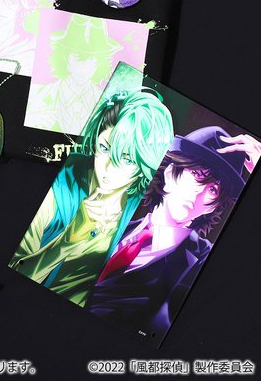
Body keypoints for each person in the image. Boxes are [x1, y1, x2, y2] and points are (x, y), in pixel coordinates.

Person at [86, 127, 259, 338]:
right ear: (170, 173)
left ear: (214, 207)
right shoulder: (114, 225)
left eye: (213, 190)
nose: (199, 192)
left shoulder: (204, 260)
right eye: (196, 174)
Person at [9, 88, 174, 307]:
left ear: (144, 165)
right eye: (104, 148)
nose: (108, 168)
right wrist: (68, 240)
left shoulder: (141, 206)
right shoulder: (63, 187)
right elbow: (17, 275)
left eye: (127, 160)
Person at [25, 15, 122, 135]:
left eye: (91, 58)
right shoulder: (38, 95)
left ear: (99, 63)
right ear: (65, 56)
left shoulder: (108, 106)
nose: (83, 67)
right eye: (77, 56)